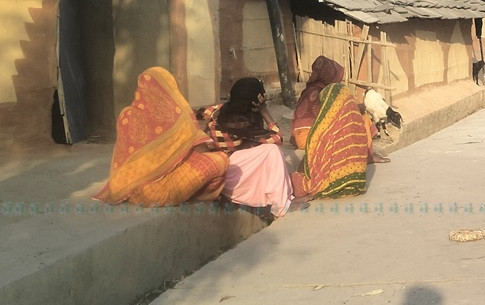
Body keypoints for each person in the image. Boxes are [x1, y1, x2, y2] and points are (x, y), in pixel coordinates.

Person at [95, 67, 229, 207]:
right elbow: (199, 150)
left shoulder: (125, 115)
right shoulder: (178, 115)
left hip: (125, 188)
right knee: (221, 159)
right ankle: (196, 194)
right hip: (156, 194)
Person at [199, 78, 294, 219]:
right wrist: (263, 110)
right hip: (227, 174)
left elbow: (203, 112)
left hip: (218, 166)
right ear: (255, 102)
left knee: (263, 150)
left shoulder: (217, 110)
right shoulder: (240, 122)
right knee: (273, 151)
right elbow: (277, 138)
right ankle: (280, 206)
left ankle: (274, 199)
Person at [293, 55, 388, 163]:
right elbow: (335, 114)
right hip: (311, 138)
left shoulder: (311, 89)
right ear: (328, 76)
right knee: (360, 120)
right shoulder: (324, 92)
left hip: (301, 136)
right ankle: (367, 154)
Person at [291, 82, 371, 199]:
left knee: (294, 181)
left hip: (330, 182)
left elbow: (311, 152)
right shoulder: (359, 122)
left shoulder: (324, 129)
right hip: (357, 183)